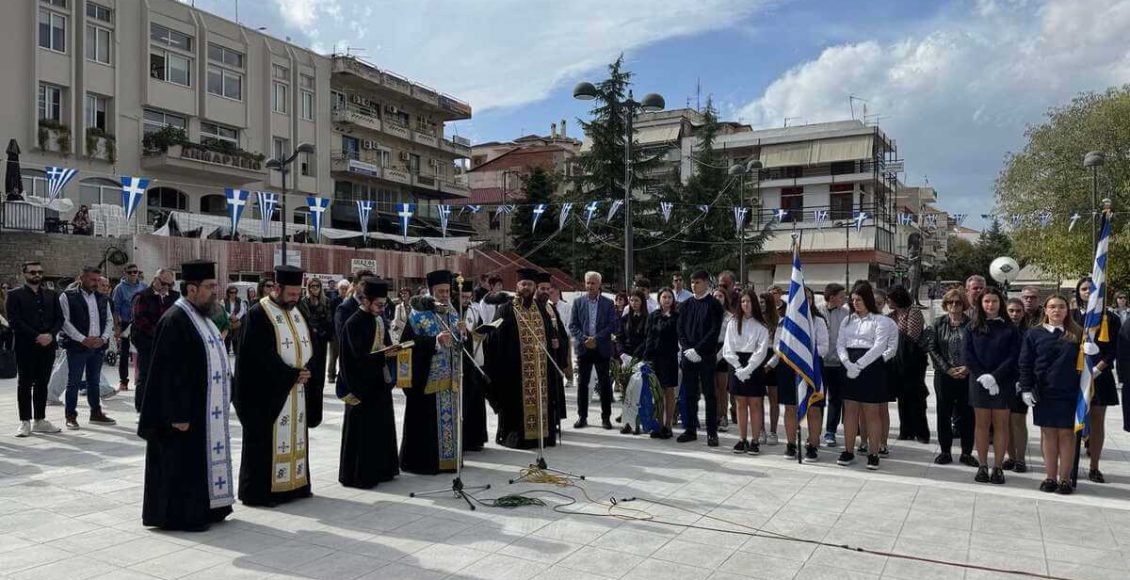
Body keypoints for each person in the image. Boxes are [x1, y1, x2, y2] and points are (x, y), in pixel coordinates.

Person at [137, 260, 234, 531]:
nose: (215, 291)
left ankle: (210, 508)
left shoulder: (203, 317)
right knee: (182, 464)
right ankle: (181, 516)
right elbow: (167, 373)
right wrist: (177, 414)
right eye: (210, 286)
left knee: (197, 462)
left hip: (203, 409)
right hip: (182, 415)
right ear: (192, 289)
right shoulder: (175, 319)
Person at [233, 265, 314, 507]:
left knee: (296, 436)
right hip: (266, 395)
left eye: (298, 293)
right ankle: (263, 492)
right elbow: (256, 358)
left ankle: (295, 485)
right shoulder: (259, 314)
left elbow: (308, 346)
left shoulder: (296, 311)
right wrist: (291, 375)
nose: (295, 298)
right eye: (291, 293)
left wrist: (309, 371)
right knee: (265, 443)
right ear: (276, 289)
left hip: (296, 390)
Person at [396, 270, 465, 473]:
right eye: (440, 291)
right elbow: (406, 344)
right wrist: (434, 341)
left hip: (450, 379)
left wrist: (463, 334)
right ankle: (424, 463)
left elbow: (458, 345)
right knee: (425, 423)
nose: (444, 295)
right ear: (431, 291)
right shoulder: (418, 314)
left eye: (447, 291)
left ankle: (449, 461)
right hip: (426, 381)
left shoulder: (452, 312)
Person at [483, 268, 560, 449]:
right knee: (515, 406)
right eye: (523, 284)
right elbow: (493, 339)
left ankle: (542, 436)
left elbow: (549, 336)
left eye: (530, 284)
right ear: (517, 286)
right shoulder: (506, 310)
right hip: (515, 372)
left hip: (539, 370)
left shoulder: (542, 310)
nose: (526, 287)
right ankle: (515, 437)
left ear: (534, 288)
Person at [337, 278, 401, 489]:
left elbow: (384, 345)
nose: (382, 309)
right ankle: (360, 475)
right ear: (366, 301)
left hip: (378, 384)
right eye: (379, 305)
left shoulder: (379, 320)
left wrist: (392, 351)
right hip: (360, 387)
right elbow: (355, 359)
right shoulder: (353, 323)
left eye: (384, 305)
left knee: (380, 429)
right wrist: (382, 355)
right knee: (363, 434)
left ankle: (383, 469)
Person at [1019, 295, 1080, 494]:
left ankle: (1065, 479)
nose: (1057, 311)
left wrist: (1090, 353)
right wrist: (1026, 388)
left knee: (1066, 435)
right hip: (1044, 392)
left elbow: (1085, 366)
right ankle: (1050, 477)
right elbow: (1026, 363)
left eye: (1061, 307)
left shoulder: (1077, 333)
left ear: (1067, 310)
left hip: (1068, 392)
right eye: (1052, 307)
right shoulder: (1034, 334)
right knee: (1048, 434)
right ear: (1045, 310)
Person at [963, 287, 1021, 485]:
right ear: (980, 304)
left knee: (1001, 425)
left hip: (1003, 382)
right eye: (986, 301)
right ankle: (982, 466)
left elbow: (1014, 356)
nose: (990, 305)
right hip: (979, 382)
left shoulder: (1010, 328)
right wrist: (983, 377)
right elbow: (968, 355)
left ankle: (997, 467)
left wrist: (995, 377)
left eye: (994, 301)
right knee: (981, 424)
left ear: (1000, 304)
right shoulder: (971, 327)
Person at [836, 281, 894, 470]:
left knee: (872, 412)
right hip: (849, 365)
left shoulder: (881, 321)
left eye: (859, 299)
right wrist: (847, 363)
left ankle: (874, 453)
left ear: (867, 299)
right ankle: (848, 450)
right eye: (853, 300)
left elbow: (879, 346)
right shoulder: (847, 320)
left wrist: (859, 365)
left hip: (871, 366)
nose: (855, 303)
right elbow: (840, 344)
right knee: (850, 410)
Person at [1071, 277, 1120, 483]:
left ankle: (1094, 466)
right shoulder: (1071, 315)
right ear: (1078, 292)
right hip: (1073, 376)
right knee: (1072, 422)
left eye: (1092, 289)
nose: (1087, 292)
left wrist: (1096, 370)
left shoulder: (1110, 318)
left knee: (1097, 422)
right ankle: (1069, 465)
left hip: (1100, 376)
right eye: (1084, 289)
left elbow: (1114, 349)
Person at [7, 262, 63, 437]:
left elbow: (59, 319)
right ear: (24, 274)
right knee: (24, 384)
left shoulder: (51, 294)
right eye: (33, 272)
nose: (37, 275)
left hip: (47, 345)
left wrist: (50, 335)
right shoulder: (14, 295)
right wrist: (37, 336)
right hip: (26, 345)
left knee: (42, 382)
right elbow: (15, 320)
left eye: (40, 272)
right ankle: (25, 421)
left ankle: (40, 419)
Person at [58, 266, 116, 430]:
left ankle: (95, 413)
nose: (95, 283)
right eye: (92, 280)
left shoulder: (102, 297)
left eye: (98, 280)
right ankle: (70, 416)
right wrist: (82, 339)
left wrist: (103, 338)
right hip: (77, 347)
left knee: (94, 381)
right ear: (81, 278)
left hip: (97, 347)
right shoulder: (67, 296)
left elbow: (109, 320)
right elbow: (64, 321)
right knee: (74, 382)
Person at [927, 289, 977, 466]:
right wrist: (947, 369)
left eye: (958, 302)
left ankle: (967, 453)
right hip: (944, 376)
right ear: (946, 304)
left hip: (966, 376)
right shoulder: (937, 324)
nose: (954, 305)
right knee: (944, 413)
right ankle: (945, 451)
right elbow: (932, 349)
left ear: (964, 305)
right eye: (951, 302)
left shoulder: (973, 325)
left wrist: (968, 367)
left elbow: (977, 350)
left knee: (967, 415)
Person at [676, 270, 725, 446]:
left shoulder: (714, 305)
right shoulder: (685, 305)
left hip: (706, 357)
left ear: (706, 283)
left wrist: (698, 350)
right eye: (692, 282)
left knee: (709, 394)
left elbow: (714, 331)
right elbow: (680, 329)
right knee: (689, 394)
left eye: (697, 282)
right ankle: (690, 429)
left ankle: (712, 432)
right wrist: (688, 349)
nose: (694, 285)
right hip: (688, 356)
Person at [568, 272, 619, 429]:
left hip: (601, 347)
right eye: (588, 283)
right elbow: (573, 325)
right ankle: (582, 417)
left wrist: (596, 338)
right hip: (584, 348)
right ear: (585, 284)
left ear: (599, 285)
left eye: (593, 283)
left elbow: (612, 325)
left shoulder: (608, 303)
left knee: (604, 384)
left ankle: (606, 418)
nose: (590, 286)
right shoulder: (578, 302)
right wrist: (585, 339)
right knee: (583, 384)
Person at [723, 288, 771, 454]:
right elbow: (727, 347)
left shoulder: (761, 325)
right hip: (736, 364)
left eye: (749, 301)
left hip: (754, 366)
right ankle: (742, 439)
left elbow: (761, 350)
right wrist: (738, 367)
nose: (746, 304)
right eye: (743, 301)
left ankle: (755, 440)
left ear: (754, 303)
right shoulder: (733, 323)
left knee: (755, 404)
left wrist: (749, 368)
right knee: (740, 403)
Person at [131, 268, 179, 413]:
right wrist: (160, 333)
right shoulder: (142, 296)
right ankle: (142, 408)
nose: (167, 287)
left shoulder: (176, 297)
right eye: (164, 283)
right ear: (155, 280)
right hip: (148, 342)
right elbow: (140, 320)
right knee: (145, 376)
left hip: (169, 344)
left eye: (170, 284)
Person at [887, 286, 930, 443]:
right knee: (902, 396)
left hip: (913, 359)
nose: (887, 301)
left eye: (889, 298)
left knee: (916, 396)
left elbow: (912, 335)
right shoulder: (891, 315)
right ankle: (906, 430)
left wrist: (895, 334)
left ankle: (921, 432)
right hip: (897, 360)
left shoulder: (913, 312)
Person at [332, 270, 374, 405]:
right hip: (353, 372)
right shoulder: (345, 308)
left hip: (371, 370)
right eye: (363, 283)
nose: (367, 287)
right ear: (355, 285)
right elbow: (344, 341)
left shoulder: (374, 307)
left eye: (370, 284)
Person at [536, 273, 570, 440]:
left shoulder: (551, 308)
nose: (545, 292)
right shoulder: (532, 308)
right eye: (542, 289)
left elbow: (561, 333)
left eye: (547, 289)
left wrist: (560, 343)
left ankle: (554, 421)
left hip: (552, 358)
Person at [644, 288, 680, 439]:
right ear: (659, 299)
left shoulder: (677, 316)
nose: (666, 300)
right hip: (655, 358)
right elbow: (649, 336)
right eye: (664, 297)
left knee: (669, 391)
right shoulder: (653, 315)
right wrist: (646, 357)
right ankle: (658, 424)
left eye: (669, 297)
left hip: (670, 357)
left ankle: (668, 424)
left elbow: (672, 331)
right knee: (656, 392)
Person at [458, 279, 490, 451]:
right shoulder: (451, 311)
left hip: (474, 361)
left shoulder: (472, 309)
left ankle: (475, 439)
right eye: (462, 297)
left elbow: (475, 331)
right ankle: (461, 441)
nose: (465, 300)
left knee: (475, 400)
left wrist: (481, 335)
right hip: (459, 363)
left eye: (468, 297)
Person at [299, 277, 333, 429]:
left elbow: (329, 320)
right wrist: (313, 330)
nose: (315, 288)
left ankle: (316, 415)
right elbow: (304, 320)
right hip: (308, 341)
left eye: (317, 286)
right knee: (309, 375)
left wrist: (323, 331)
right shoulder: (303, 302)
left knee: (319, 377)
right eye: (312, 286)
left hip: (321, 342)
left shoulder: (326, 303)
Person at [1004, 297, 1031, 473]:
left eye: (1018, 311)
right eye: (1011, 311)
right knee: (1004, 422)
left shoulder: (1029, 333)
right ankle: (1010, 457)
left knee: (1018, 421)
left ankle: (1020, 459)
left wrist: (1024, 381)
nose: (1015, 314)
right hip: (1002, 382)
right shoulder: (1000, 330)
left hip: (1021, 381)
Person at [820, 283, 849, 447]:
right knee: (818, 398)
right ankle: (815, 429)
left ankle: (830, 431)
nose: (844, 299)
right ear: (832, 297)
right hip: (821, 362)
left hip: (839, 363)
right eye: (841, 296)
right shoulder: (817, 311)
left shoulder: (846, 314)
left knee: (836, 399)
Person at [617, 289, 649, 434]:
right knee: (626, 391)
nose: (634, 303)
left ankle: (637, 421)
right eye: (631, 300)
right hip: (626, 358)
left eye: (637, 300)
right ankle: (627, 422)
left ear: (642, 302)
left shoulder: (648, 319)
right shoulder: (624, 319)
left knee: (638, 390)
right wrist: (622, 353)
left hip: (640, 359)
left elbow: (647, 339)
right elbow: (619, 338)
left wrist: (636, 356)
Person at [110, 264, 145, 392]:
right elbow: (115, 309)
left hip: (140, 323)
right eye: (130, 272)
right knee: (124, 353)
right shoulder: (119, 289)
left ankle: (141, 378)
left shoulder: (143, 286)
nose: (133, 274)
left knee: (142, 351)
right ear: (125, 273)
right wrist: (117, 327)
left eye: (135, 272)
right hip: (125, 323)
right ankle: (123, 381)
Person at [712, 289, 735, 433]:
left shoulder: (730, 317)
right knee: (711, 388)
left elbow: (729, 340)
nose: (718, 298)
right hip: (710, 349)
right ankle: (714, 415)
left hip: (723, 352)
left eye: (720, 296)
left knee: (722, 388)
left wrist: (718, 356)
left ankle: (723, 416)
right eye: (715, 296)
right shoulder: (709, 314)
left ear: (725, 298)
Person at [327, 279, 350, 383]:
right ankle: (331, 375)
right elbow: (330, 318)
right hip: (335, 334)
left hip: (347, 334)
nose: (344, 291)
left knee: (344, 356)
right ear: (338, 289)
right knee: (333, 356)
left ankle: (343, 375)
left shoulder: (351, 302)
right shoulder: (334, 301)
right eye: (341, 288)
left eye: (346, 288)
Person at [222, 286, 246, 356]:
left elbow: (242, 310)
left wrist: (237, 317)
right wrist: (230, 316)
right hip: (227, 320)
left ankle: (236, 351)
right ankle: (226, 351)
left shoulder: (239, 300)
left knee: (236, 337)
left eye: (235, 292)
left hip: (237, 321)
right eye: (231, 292)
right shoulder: (224, 300)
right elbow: (223, 310)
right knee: (227, 337)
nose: (233, 294)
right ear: (228, 293)